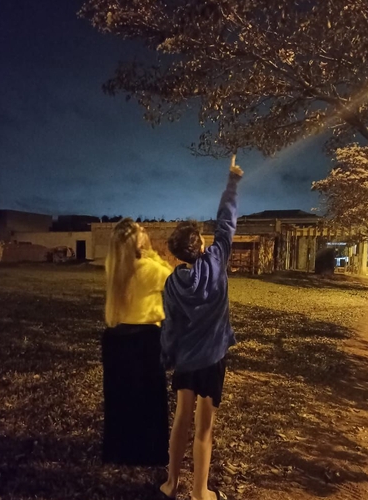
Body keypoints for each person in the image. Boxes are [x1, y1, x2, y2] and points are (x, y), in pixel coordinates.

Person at [159, 157, 243, 500]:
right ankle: (200, 493)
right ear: (201, 245)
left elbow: (169, 328)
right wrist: (232, 182)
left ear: (178, 254)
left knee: (181, 420)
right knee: (204, 429)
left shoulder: (171, 283)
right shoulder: (216, 260)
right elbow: (227, 223)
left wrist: (167, 358)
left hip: (186, 362)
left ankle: (170, 483)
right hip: (212, 360)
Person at [102, 218, 173, 466]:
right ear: (138, 239)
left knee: (120, 397)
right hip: (145, 339)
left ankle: (119, 450)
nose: (146, 232)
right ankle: (149, 452)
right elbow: (171, 277)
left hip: (115, 338)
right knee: (150, 399)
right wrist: (153, 254)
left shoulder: (114, 266)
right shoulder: (149, 268)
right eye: (143, 231)